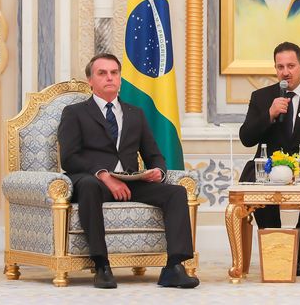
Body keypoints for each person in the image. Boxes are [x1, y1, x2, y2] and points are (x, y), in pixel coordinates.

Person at [58, 53, 199, 289]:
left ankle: (174, 266)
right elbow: (69, 158)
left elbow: (154, 155)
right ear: (90, 80)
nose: (109, 78)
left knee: (175, 192)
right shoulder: (75, 113)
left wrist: (158, 172)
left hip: (131, 182)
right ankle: (101, 265)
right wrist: (103, 174)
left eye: (114, 73)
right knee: (90, 186)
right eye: (102, 73)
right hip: (93, 181)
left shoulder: (135, 113)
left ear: (120, 78)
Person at [239, 41, 300, 276]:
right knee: (256, 182)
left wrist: (297, 168)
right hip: (268, 167)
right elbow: (246, 138)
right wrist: (269, 114)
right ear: (275, 69)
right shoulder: (262, 97)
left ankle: (297, 255)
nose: (286, 72)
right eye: (280, 66)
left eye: (291, 65)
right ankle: (277, 251)